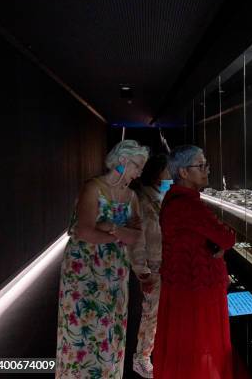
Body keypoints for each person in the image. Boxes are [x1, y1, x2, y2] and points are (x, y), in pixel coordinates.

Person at [55, 140, 149, 378]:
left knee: (110, 325)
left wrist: (112, 230)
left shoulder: (130, 196)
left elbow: (136, 235)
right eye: (137, 165)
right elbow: (85, 232)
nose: (140, 172)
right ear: (123, 161)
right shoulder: (93, 188)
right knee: (80, 325)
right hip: (83, 268)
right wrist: (120, 234)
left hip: (114, 269)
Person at [153, 145, 235, 379]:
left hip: (182, 284)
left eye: (205, 164)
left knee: (185, 344)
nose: (206, 170)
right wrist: (220, 244)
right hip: (196, 288)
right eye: (200, 166)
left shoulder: (175, 200)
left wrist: (216, 243)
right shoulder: (188, 204)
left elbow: (204, 237)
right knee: (200, 342)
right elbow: (227, 237)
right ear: (184, 173)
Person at [129, 154, 172, 378]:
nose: (171, 174)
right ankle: (142, 357)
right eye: (167, 170)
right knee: (150, 315)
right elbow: (137, 239)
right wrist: (143, 271)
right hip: (153, 266)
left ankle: (153, 354)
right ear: (157, 173)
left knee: (161, 314)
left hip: (166, 263)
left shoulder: (159, 196)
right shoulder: (142, 200)